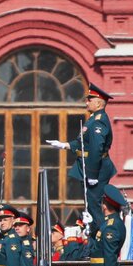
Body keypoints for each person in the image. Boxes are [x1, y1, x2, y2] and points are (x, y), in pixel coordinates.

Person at [45, 83, 116, 226]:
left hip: (96, 169)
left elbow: (96, 149)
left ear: (98, 103)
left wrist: (93, 175)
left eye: (89, 99)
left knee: (94, 205)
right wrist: (64, 145)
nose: (86, 102)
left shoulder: (98, 121)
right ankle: (95, 236)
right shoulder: (93, 119)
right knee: (91, 205)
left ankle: (99, 238)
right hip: (91, 167)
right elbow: (82, 143)